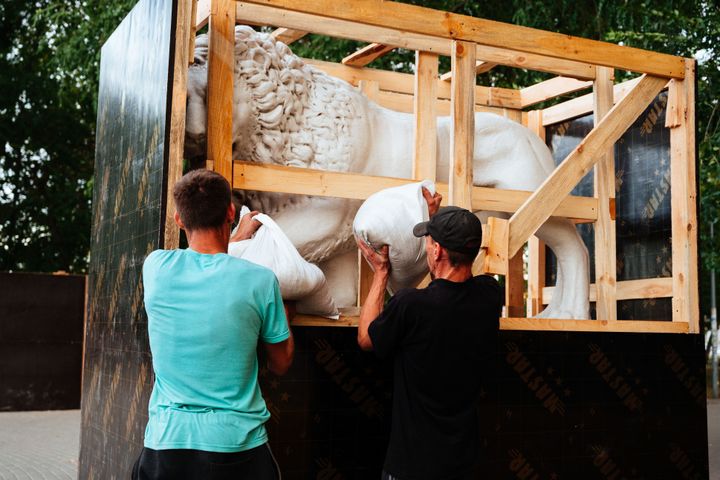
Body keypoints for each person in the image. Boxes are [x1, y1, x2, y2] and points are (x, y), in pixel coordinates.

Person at [132, 169, 294, 480]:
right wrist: (285, 313)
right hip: (237, 449)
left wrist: (234, 239)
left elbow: (206, 258)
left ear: (180, 219)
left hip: (165, 447)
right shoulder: (260, 281)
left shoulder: (156, 267)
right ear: (231, 212)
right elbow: (281, 362)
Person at [356, 192, 502, 480]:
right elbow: (457, 281)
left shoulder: (411, 305)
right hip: (460, 465)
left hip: (412, 468)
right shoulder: (489, 295)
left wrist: (381, 274)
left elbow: (365, 339)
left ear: (437, 252)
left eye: (430, 243)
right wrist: (439, 223)